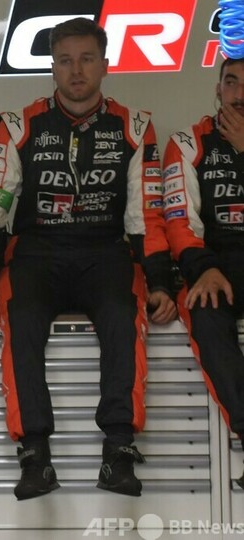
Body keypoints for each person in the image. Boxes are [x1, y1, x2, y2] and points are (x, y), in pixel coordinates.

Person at [0, 17, 176, 501]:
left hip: (105, 253)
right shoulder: (17, 125)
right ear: (52, 67)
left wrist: (160, 281)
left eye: (86, 59)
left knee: (123, 314)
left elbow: (145, 214)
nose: (76, 71)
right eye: (65, 61)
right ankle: (34, 454)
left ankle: (119, 449)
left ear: (105, 64)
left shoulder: (135, 127)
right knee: (21, 317)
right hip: (36, 255)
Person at [161, 56, 244, 489]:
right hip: (214, 263)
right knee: (207, 314)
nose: (240, 94)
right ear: (218, 89)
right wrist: (205, 268)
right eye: (231, 82)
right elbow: (178, 221)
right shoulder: (187, 142)